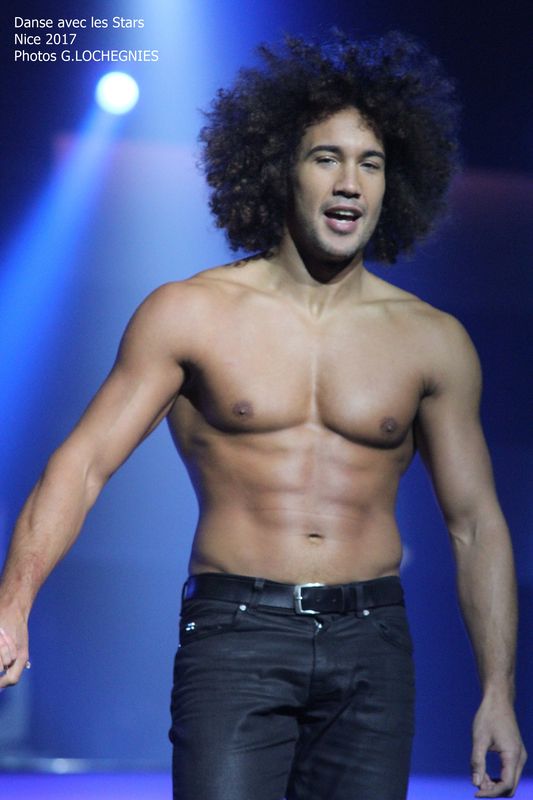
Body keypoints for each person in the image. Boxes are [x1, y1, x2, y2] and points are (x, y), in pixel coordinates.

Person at [0, 31, 526, 800]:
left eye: (371, 163)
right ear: (280, 168)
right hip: (235, 635)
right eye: (326, 158)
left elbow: (475, 523)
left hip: (373, 645)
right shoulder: (189, 313)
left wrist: (497, 693)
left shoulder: (431, 341)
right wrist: (12, 605)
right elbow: (81, 467)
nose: (349, 183)